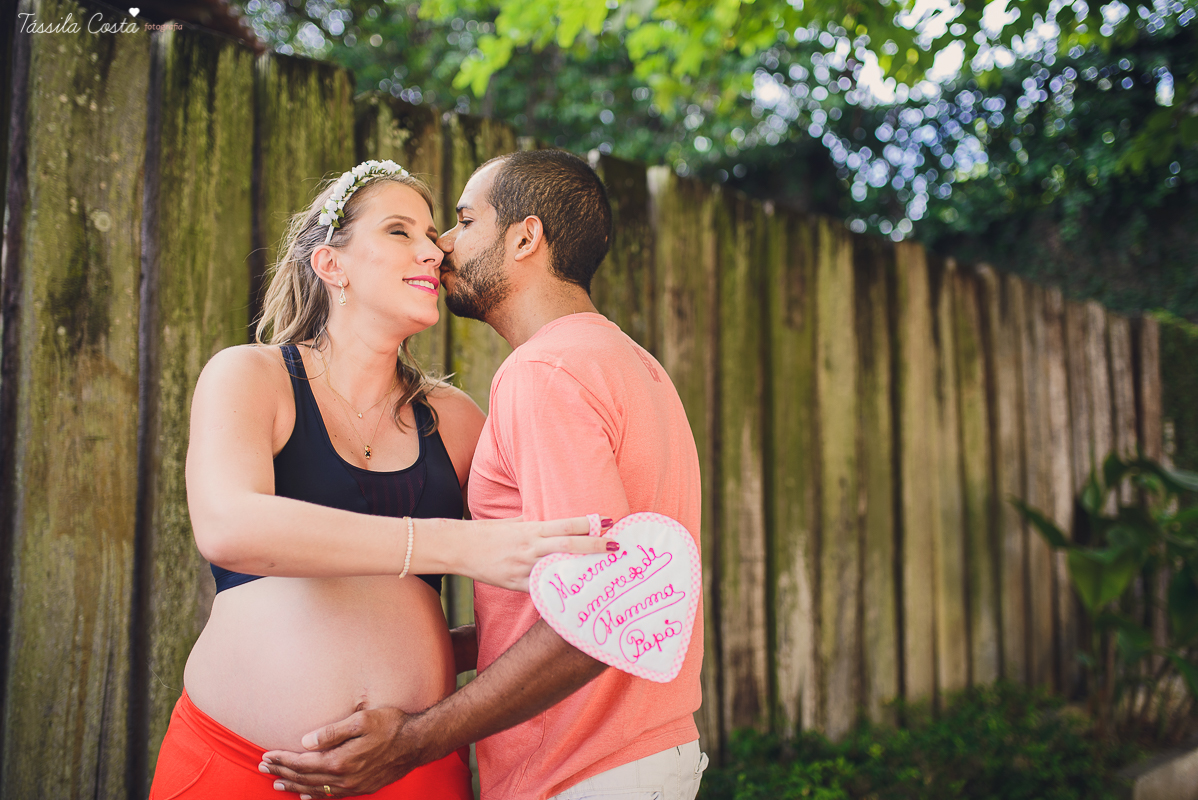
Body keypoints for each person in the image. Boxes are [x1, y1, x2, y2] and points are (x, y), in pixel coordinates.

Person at [148, 160, 615, 800]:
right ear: (331, 266)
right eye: (401, 231)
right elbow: (230, 527)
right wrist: (452, 545)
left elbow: (556, 577)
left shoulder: (455, 423)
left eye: (434, 231)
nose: (433, 249)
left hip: (414, 770)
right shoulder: (251, 378)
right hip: (238, 765)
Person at [261, 150, 707, 800]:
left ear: (526, 237)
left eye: (465, 220)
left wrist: (413, 740)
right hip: (648, 753)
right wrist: (421, 648)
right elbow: (574, 601)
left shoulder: (542, 373)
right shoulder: (630, 363)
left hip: (582, 770)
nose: (441, 245)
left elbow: (593, 620)